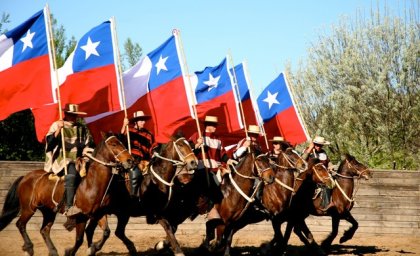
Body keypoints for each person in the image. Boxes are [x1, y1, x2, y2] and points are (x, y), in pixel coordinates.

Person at [44, 103, 95, 217]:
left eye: (75, 115)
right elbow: (50, 144)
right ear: (66, 114)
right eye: (71, 115)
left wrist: (87, 156)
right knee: (72, 173)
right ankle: (68, 206)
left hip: (79, 160)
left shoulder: (82, 128)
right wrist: (58, 130)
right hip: (63, 160)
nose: (73, 117)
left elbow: (87, 145)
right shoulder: (57, 125)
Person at [188, 115, 232, 243]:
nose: (214, 127)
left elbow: (222, 155)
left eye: (215, 125)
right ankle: (200, 208)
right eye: (212, 125)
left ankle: (218, 211)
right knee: (210, 188)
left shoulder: (218, 139)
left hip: (216, 169)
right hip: (202, 168)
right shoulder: (198, 134)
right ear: (207, 125)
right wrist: (197, 144)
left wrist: (230, 160)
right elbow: (188, 150)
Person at [121, 110, 155, 197]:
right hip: (132, 160)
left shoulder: (149, 134)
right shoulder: (129, 130)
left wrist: (154, 153)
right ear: (136, 121)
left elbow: (153, 147)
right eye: (141, 120)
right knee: (135, 173)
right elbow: (121, 138)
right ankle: (134, 197)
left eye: (144, 120)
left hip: (145, 161)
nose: (143, 122)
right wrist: (124, 125)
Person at [302, 135, 334, 211]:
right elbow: (302, 159)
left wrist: (330, 166)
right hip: (311, 175)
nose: (319, 147)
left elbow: (328, 162)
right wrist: (310, 148)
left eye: (320, 145)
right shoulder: (308, 150)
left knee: (333, 182)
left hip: (323, 173)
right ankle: (326, 205)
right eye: (317, 145)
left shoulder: (323, 152)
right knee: (327, 184)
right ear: (314, 144)